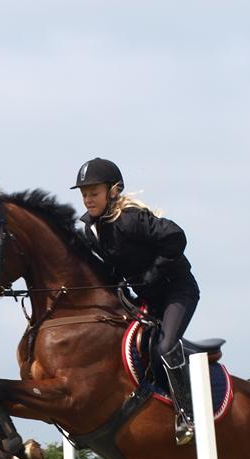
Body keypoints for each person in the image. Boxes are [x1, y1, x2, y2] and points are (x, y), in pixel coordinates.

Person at [72, 157, 201, 444]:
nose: (88, 199)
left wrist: (153, 272)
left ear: (113, 190)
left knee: (165, 347)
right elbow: (111, 267)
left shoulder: (130, 218)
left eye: (94, 193)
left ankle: (188, 415)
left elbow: (176, 238)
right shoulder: (91, 230)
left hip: (177, 291)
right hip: (145, 299)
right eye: (84, 194)